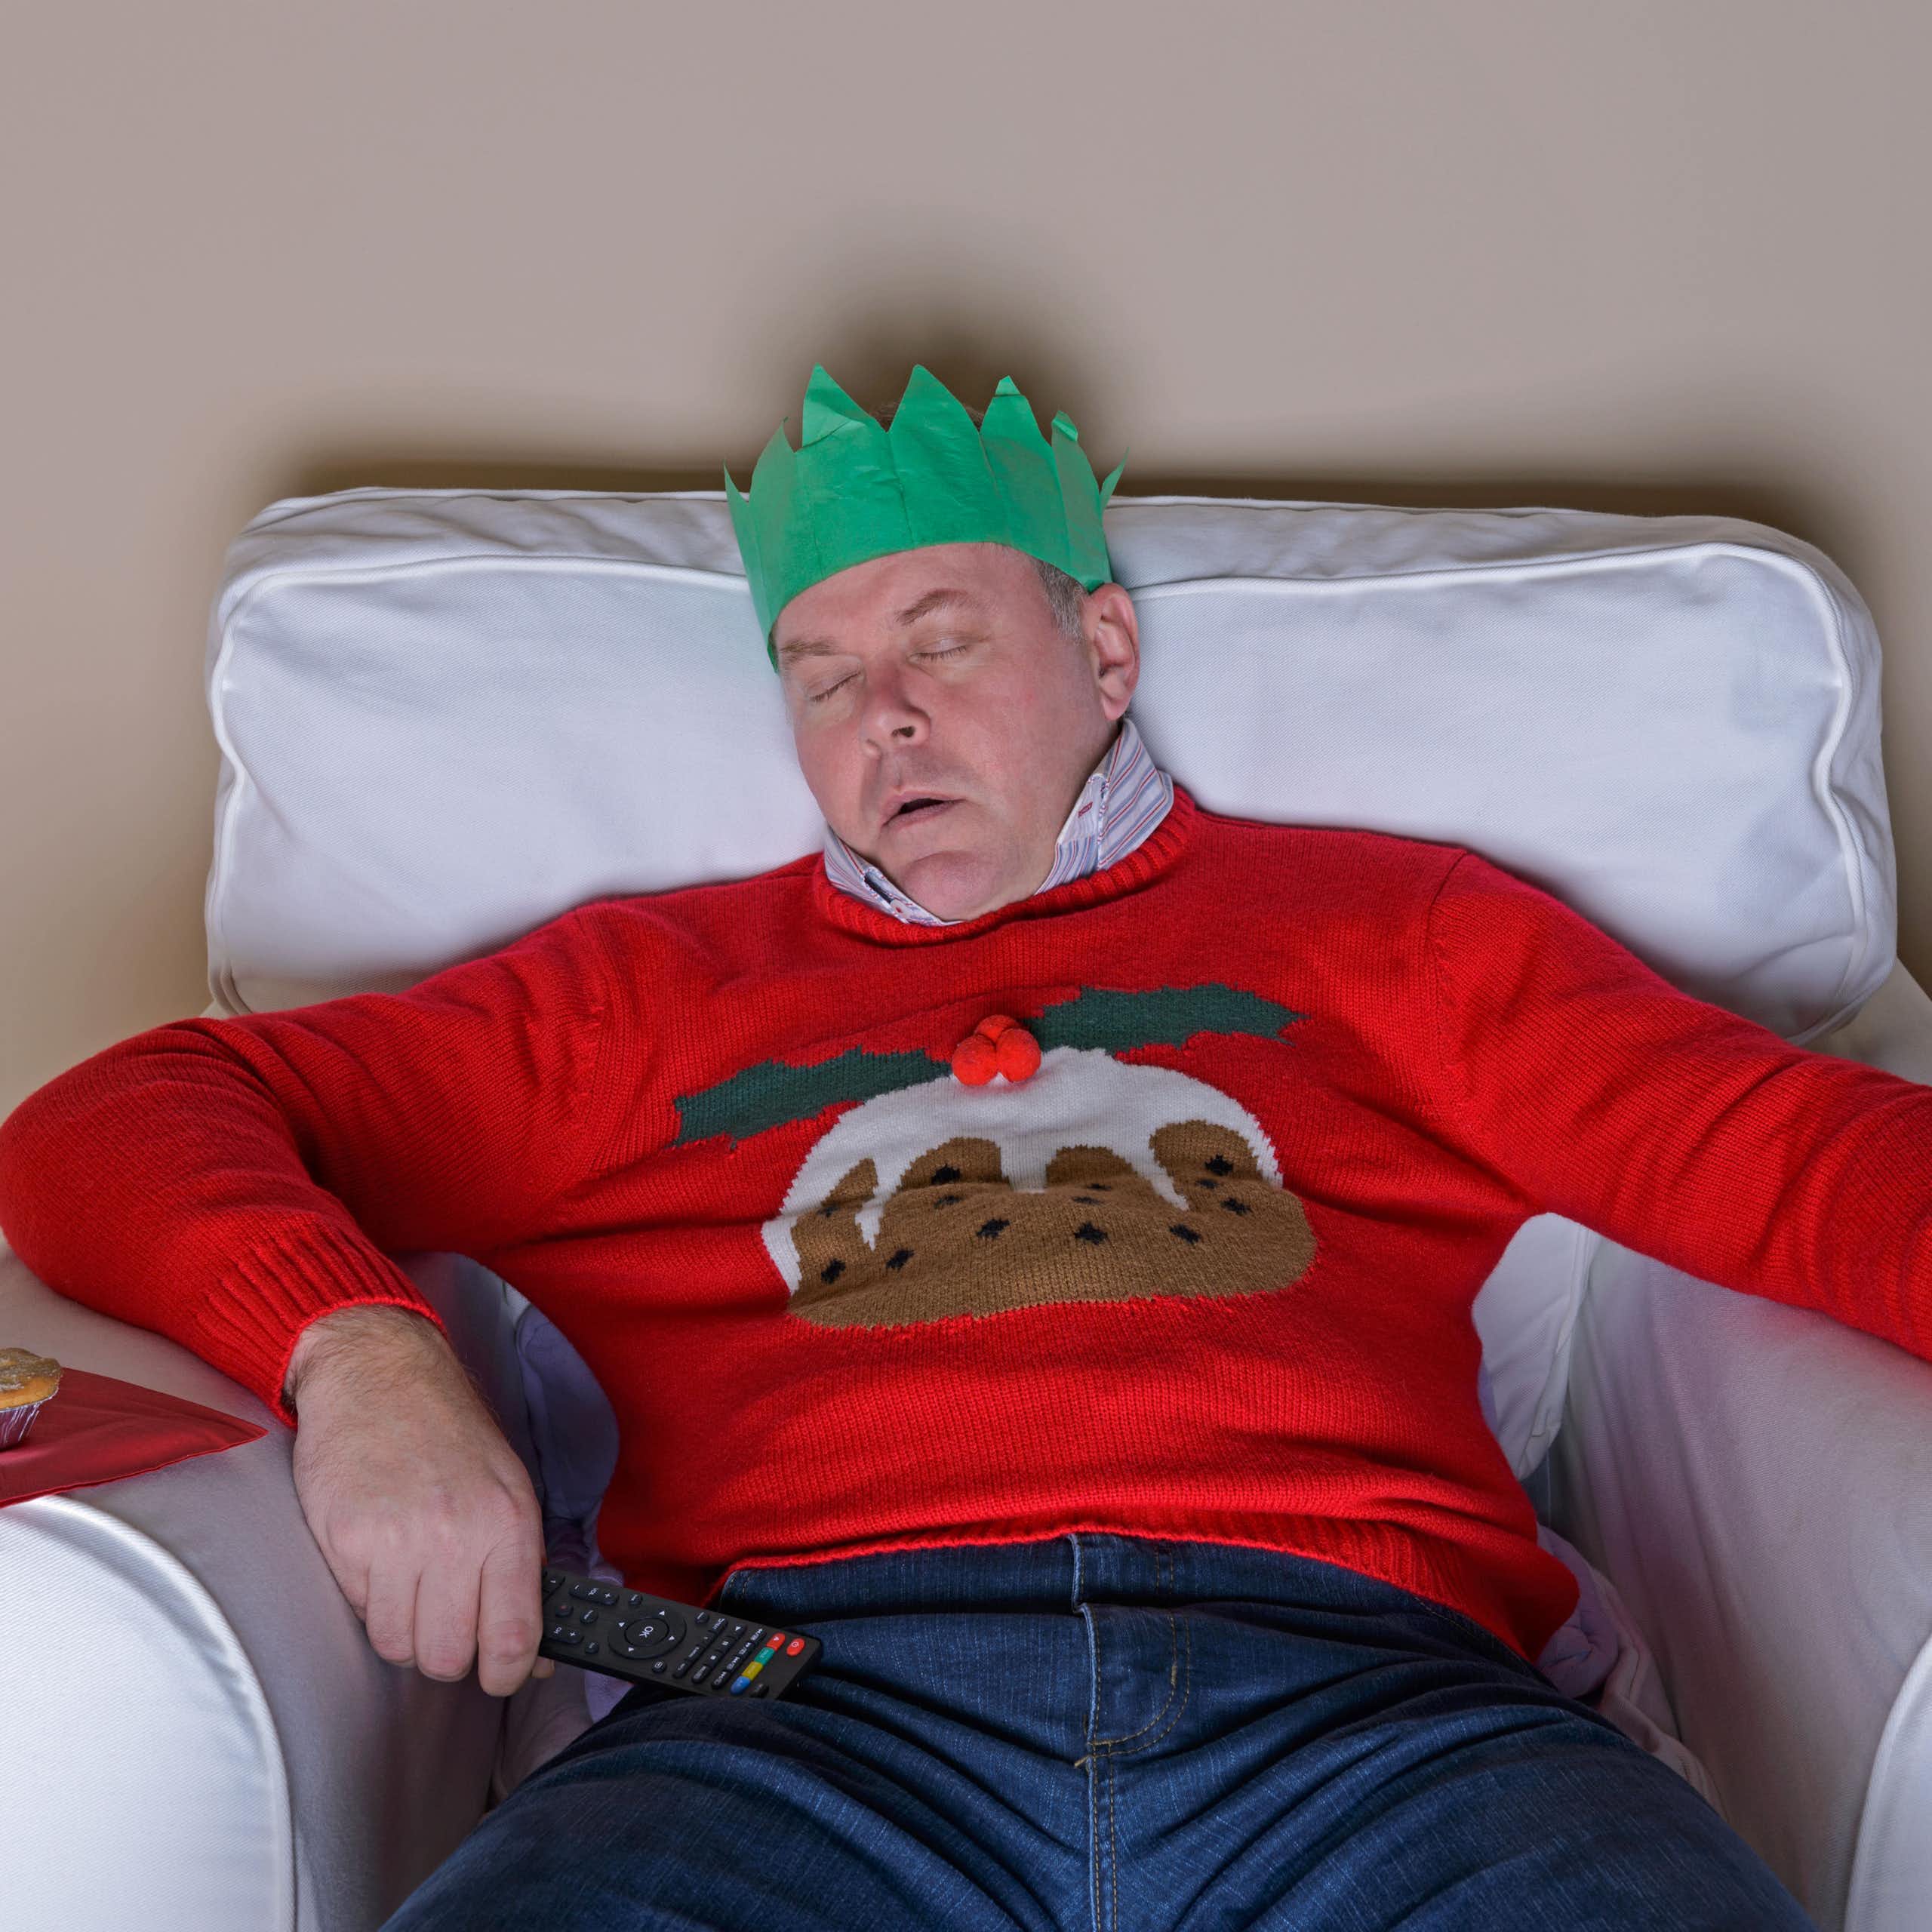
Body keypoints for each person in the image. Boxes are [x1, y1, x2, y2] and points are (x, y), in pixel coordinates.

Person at [10, 361, 1918, 1930]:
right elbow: (120, 1120)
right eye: (823, 673)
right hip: (787, 1735)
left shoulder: (1392, 929)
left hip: (1375, 1708)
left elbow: (1798, 1161)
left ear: (1100, 646)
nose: (886, 714)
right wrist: (357, 1352)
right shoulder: (640, 994)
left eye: (940, 638)